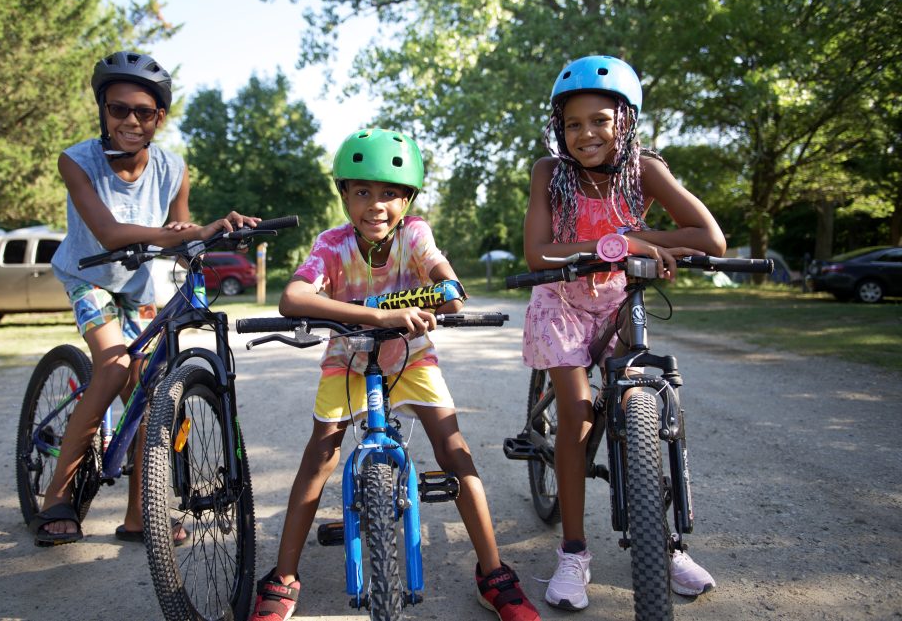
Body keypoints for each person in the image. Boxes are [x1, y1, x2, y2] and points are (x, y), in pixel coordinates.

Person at [249, 128, 541, 621]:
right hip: (349, 358)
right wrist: (379, 315)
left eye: (390, 193)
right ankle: (282, 576)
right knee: (319, 457)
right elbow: (292, 298)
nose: (376, 205)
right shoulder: (332, 244)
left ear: (408, 199)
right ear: (343, 194)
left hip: (411, 356)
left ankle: (492, 573)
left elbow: (445, 283)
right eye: (362, 191)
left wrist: (445, 284)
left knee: (453, 449)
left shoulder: (415, 234)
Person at [28, 51, 257, 546]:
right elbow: (109, 233)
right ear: (102, 112)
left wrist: (197, 233)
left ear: (160, 118)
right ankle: (57, 496)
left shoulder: (174, 168)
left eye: (144, 112)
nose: (131, 120)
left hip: (142, 283)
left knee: (150, 393)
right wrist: (184, 232)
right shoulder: (77, 160)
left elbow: (179, 228)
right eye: (118, 109)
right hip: (91, 277)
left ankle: (140, 517)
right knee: (112, 368)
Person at [522, 55, 727, 610]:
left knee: (643, 408)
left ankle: (664, 544)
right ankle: (572, 552)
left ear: (626, 120)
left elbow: (711, 237)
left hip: (619, 301)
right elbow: (539, 253)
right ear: (559, 129)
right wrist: (630, 242)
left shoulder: (647, 169)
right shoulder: (550, 172)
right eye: (572, 123)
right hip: (561, 300)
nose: (585, 133)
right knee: (578, 416)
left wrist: (638, 232)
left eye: (599, 120)